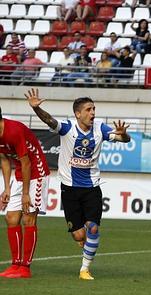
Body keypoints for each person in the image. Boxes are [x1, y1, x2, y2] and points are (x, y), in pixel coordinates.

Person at [25, 88, 132, 280]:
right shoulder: (67, 128)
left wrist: (123, 135)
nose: (93, 113)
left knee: (93, 228)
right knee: (79, 235)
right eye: (89, 109)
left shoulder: (100, 128)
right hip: (69, 188)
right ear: (78, 114)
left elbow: (124, 139)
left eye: (94, 109)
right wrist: (36, 109)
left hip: (92, 188)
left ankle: (84, 269)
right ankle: (82, 240)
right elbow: (50, 120)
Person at [0, 108, 51, 278]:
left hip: (36, 173)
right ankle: (15, 264)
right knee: (11, 218)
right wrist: (7, 188)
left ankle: (25, 267)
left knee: (28, 218)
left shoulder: (13, 131)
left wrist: (25, 193)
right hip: (20, 174)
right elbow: (4, 160)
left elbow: (27, 162)